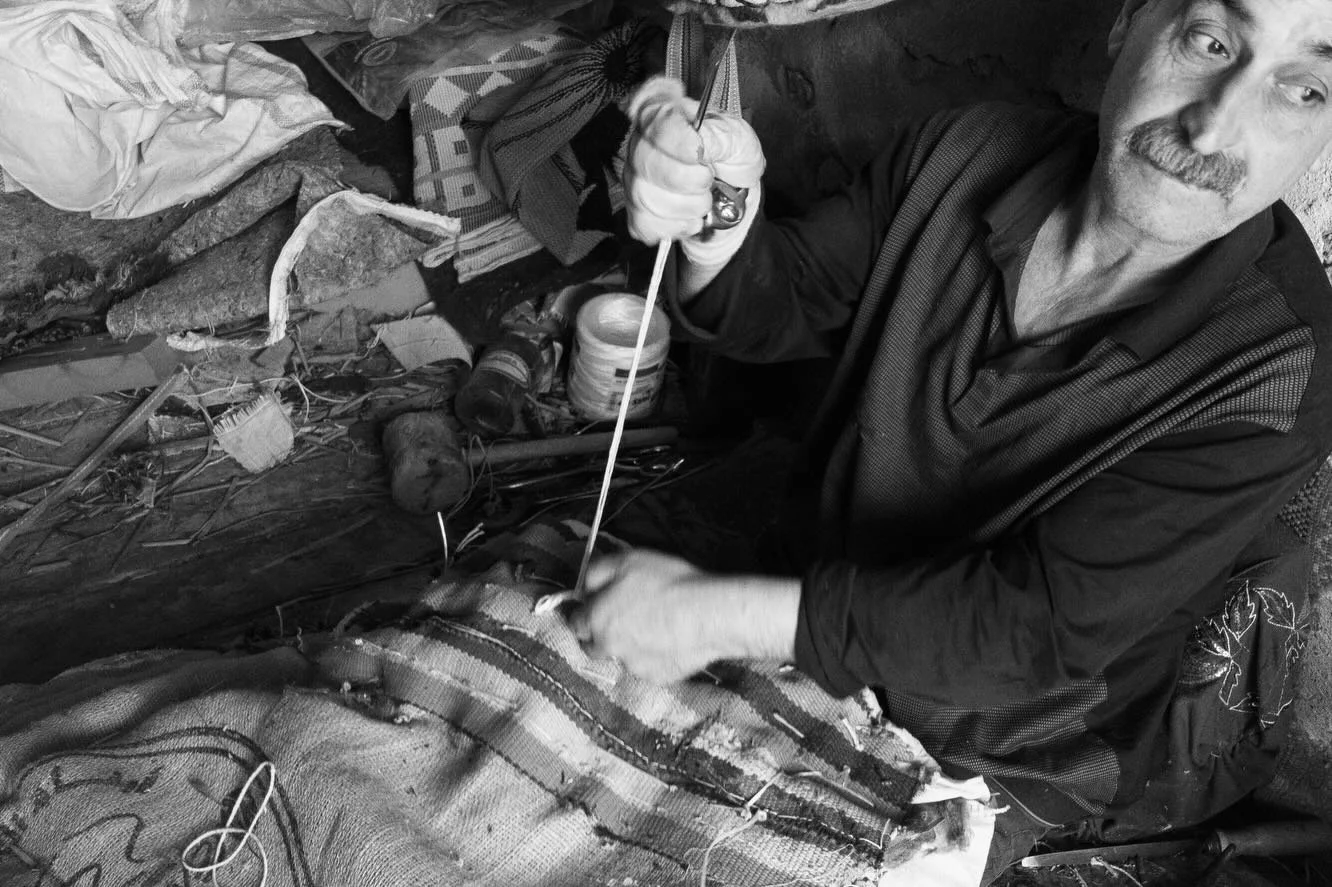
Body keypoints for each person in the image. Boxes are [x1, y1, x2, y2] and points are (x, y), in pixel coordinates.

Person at [575, 0, 1332, 881]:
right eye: (1209, 41)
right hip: (808, 584)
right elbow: (783, 296)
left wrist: (717, 613)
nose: (1214, 123)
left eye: (1305, 88)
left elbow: (1032, 626)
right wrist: (716, 210)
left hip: (1004, 735)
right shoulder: (966, 150)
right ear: (1127, 24)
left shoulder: (1283, 368)